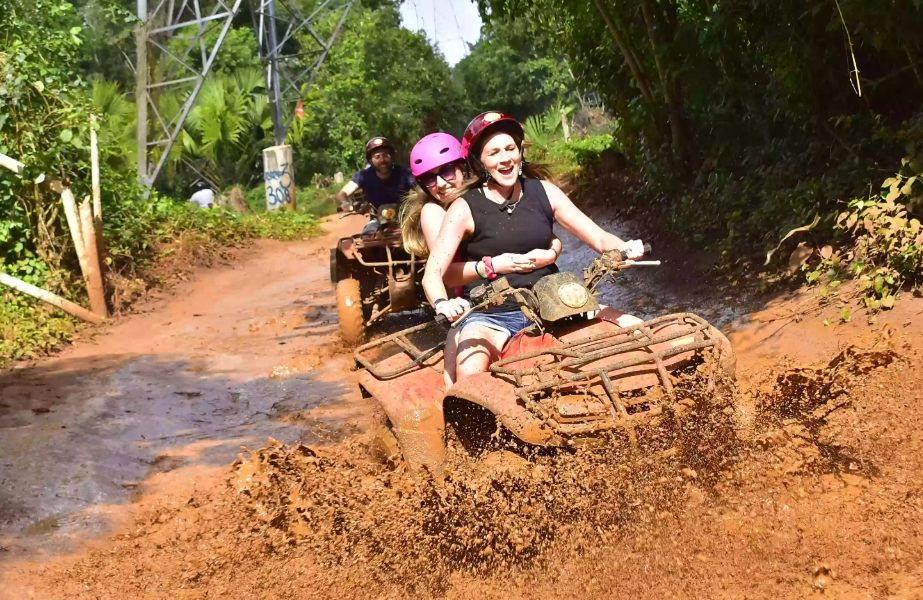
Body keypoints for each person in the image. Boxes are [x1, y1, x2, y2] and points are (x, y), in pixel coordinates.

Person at [422, 111, 645, 383]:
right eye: (493, 153)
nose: (505, 158)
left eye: (510, 149)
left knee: (638, 329)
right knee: (470, 373)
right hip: (492, 316)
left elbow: (599, 239)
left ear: (520, 152)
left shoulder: (545, 191)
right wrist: (442, 303)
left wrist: (625, 247)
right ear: (479, 162)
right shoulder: (463, 208)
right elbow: (433, 273)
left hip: (557, 303)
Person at [400, 132, 562, 386]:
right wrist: (491, 266)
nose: (441, 183)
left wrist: (553, 250)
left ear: (464, 166)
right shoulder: (435, 212)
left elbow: (537, 234)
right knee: (457, 379)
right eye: (430, 178)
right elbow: (445, 273)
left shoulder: (487, 193)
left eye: (447, 171)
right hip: (466, 301)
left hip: (522, 290)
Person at [335, 137, 416, 234]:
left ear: (391, 156)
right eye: (377, 157)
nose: (382, 160)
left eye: (385, 155)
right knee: (367, 238)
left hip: (405, 219)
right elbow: (340, 195)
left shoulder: (405, 172)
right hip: (377, 221)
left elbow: (420, 189)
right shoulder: (363, 176)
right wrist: (347, 205)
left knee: (419, 237)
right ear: (370, 160)